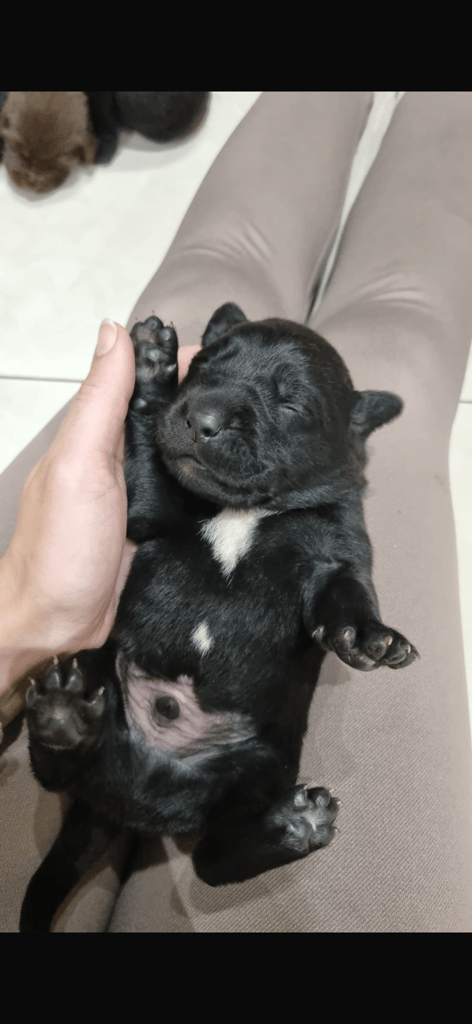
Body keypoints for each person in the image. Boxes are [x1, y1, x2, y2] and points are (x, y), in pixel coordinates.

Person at [1, 92, 472, 931]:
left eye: (286, 409)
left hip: (171, 746)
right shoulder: (235, 484)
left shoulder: (324, 511)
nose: (212, 408)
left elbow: (334, 574)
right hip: (136, 732)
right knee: (398, 323)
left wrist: (346, 618)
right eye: (209, 371)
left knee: (217, 265)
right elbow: (152, 506)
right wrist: (154, 396)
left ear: (350, 442)